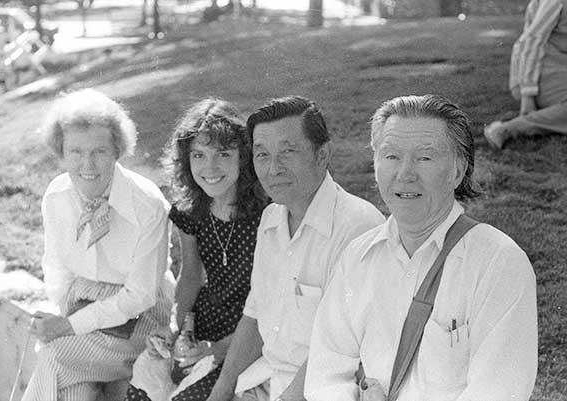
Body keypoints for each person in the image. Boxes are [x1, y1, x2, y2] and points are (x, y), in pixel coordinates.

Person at [305, 95, 538, 401]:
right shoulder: (357, 258)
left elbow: (497, 391)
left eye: (424, 158)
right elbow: (326, 374)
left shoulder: (498, 263)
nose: (405, 174)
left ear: (457, 171)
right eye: (391, 156)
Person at [207, 96, 385, 401]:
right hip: (271, 380)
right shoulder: (271, 218)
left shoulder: (358, 226)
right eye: (262, 155)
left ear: (322, 155)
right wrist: (219, 394)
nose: (273, 168)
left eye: (287, 152)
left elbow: (343, 350)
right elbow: (254, 314)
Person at [22, 89, 173, 401]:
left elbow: (141, 295)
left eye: (99, 151)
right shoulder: (56, 195)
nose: (87, 164)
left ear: (117, 150)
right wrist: (66, 316)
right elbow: (56, 269)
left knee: (54, 358)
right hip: (82, 309)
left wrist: (69, 326)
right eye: (75, 152)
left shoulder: (147, 204)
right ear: (61, 153)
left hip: (139, 319)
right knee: (76, 393)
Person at [124, 98, 269, 401]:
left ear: (243, 157)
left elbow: (269, 303)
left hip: (251, 331)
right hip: (206, 320)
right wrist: (174, 327)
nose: (210, 167)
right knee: (141, 391)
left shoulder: (265, 212)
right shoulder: (191, 210)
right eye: (198, 155)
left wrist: (214, 351)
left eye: (223, 154)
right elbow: (190, 274)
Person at [484, 0, 567, 149]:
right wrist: (527, 95)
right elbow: (532, 42)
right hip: (537, 74)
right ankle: (505, 130)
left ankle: (546, 114)